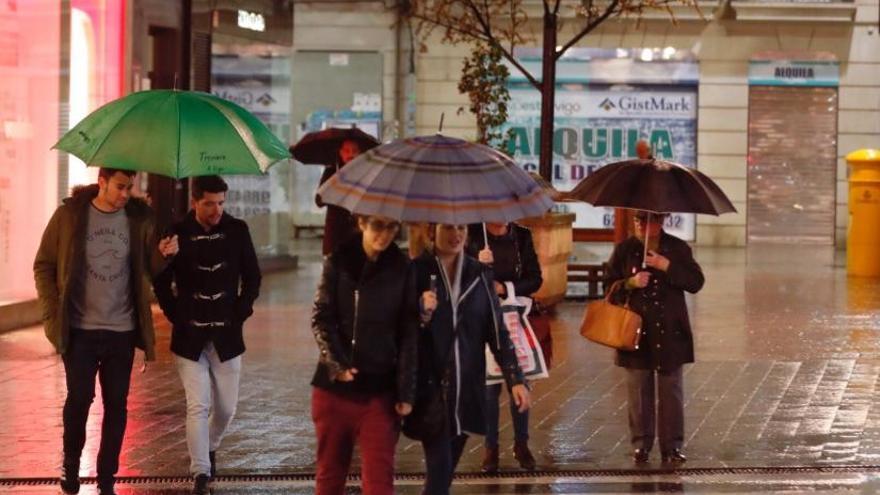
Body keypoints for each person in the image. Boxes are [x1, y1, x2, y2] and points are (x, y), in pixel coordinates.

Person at [33, 167, 178, 495]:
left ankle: (107, 478)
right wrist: (52, 317)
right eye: (120, 187)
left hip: (121, 331)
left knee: (117, 404)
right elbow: (44, 264)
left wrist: (163, 256)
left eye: (131, 187)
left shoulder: (139, 220)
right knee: (79, 399)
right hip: (80, 331)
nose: (126, 194)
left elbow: (148, 270)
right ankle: (71, 464)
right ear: (102, 182)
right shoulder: (70, 216)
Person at [152, 175, 261, 494]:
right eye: (209, 204)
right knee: (197, 405)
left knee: (227, 408)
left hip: (227, 335)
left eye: (221, 203)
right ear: (195, 202)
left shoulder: (238, 230)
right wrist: (175, 312)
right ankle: (200, 470)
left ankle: (210, 445)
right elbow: (160, 280)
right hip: (190, 336)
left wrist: (241, 312)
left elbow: (252, 276)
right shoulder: (177, 232)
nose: (217, 210)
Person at [415, 224, 531, 495]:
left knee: (443, 473)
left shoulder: (478, 274)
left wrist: (515, 378)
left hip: (466, 388)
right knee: (439, 468)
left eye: (461, 228)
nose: (456, 234)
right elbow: (400, 329)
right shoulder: (417, 271)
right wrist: (420, 314)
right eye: (448, 227)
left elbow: (497, 331)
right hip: (430, 388)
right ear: (432, 231)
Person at [310, 214, 419, 495]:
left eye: (393, 226)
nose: (385, 234)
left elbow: (408, 331)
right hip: (335, 390)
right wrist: (337, 364)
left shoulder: (401, 267)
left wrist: (406, 392)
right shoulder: (338, 261)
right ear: (361, 223)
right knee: (330, 477)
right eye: (378, 226)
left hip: (380, 392)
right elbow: (322, 317)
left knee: (380, 481)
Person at [605, 211, 704, 465]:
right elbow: (608, 287)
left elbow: (695, 282)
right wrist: (630, 283)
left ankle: (672, 446)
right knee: (639, 391)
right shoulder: (625, 250)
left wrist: (666, 266)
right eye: (638, 221)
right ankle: (641, 445)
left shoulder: (678, 248)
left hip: (670, 330)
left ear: (660, 222)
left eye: (647, 221)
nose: (641, 226)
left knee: (671, 391)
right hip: (635, 331)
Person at [465, 223, 543, 472]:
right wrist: (478, 263)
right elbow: (458, 274)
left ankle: (522, 443)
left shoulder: (522, 235)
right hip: (481, 314)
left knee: (519, 382)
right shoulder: (473, 233)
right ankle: (491, 447)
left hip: (514, 316)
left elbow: (535, 278)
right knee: (489, 387)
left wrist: (505, 289)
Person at [315, 139, 362, 256]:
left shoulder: (365, 172)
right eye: (346, 151)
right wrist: (336, 185)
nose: (350, 154)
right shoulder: (332, 171)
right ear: (340, 152)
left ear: (360, 153)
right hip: (335, 231)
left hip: (358, 229)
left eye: (354, 151)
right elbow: (319, 200)